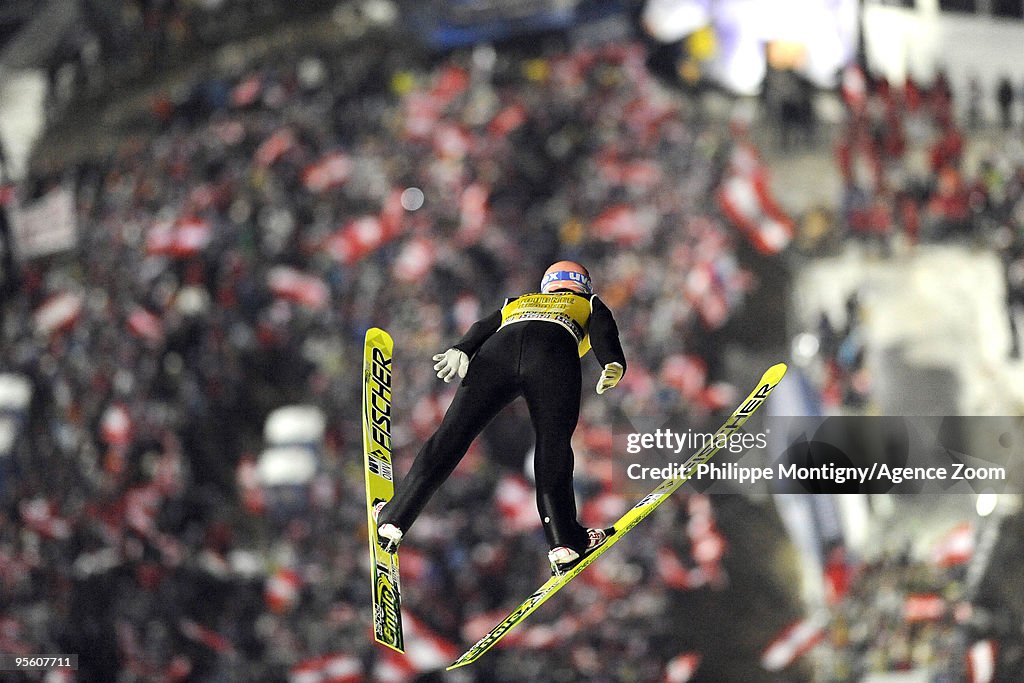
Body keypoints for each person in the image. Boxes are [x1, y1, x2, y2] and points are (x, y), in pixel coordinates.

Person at [374, 261, 627, 572]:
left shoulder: (518, 301)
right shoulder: (587, 302)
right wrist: (613, 362)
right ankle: (564, 542)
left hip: (499, 350)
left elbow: (484, 325)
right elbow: (604, 331)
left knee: (451, 436)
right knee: (553, 446)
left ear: (547, 283)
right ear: (584, 285)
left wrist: (462, 349)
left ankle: (394, 519)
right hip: (553, 348)